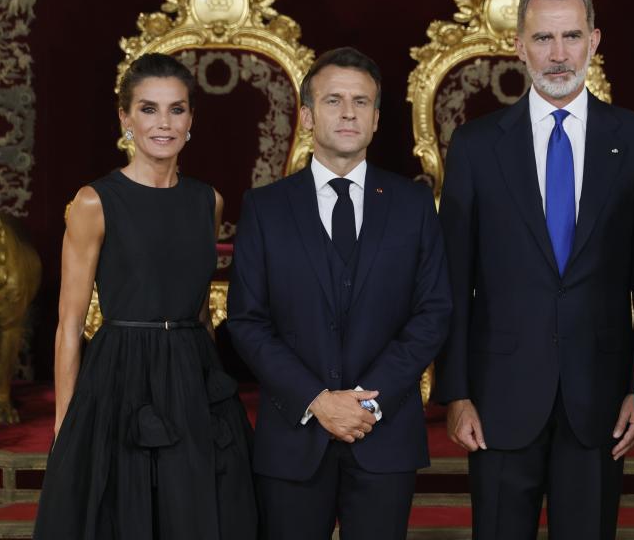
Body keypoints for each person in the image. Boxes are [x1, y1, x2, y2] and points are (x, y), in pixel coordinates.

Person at [434, 0, 634, 540]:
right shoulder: (475, 145)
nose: (558, 54)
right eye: (543, 38)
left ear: (594, 41)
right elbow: (453, 277)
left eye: (571, 36)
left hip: (602, 401)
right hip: (497, 400)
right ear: (519, 46)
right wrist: (457, 391)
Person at [227, 47, 452, 540]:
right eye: (333, 100)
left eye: (361, 101)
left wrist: (366, 404)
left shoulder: (414, 204)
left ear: (376, 118)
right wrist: (316, 400)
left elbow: (433, 312)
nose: (348, 112)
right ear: (307, 115)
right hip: (292, 436)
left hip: (384, 434)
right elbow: (246, 320)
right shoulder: (265, 208)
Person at [34, 53, 257, 540]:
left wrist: (207, 385)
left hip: (193, 375)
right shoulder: (94, 202)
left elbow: (198, 311)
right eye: (149, 109)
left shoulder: (208, 200)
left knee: (194, 516)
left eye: (176, 110)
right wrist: (64, 427)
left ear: (191, 119)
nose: (164, 123)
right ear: (125, 118)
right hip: (120, 376)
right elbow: (69, 325)